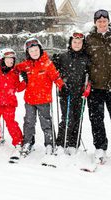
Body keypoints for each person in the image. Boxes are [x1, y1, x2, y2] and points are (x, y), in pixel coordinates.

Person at [16, 38, 66, 156]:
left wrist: (62, 86)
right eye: (31, 51)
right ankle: (28, 142)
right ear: (28, 53)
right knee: (29, 122)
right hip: (29, 100)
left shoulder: (47, 63)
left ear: (40, 49)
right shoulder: (26, 65)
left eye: (36, 49)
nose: (34, 52)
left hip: (44, 100)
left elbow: (56, 77)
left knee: (46, 123)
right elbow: (14, 68)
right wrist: (4, 66)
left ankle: (49, 144)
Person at [52, 32, 91, 155]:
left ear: (83, 44)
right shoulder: (63, 56)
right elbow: (53, 72)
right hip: (66, 93)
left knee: (78, 119)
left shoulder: (86, 58)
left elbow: (90, 76)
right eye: (74, 42)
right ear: (70, 43)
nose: (77, 44)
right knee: (68, 119)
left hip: (80, 93)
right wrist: (61, 85)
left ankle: (74, 144)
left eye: (79, 42)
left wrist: (87, 88)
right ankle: (61, 143)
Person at [86, 9, 111, 164]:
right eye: (99, 21)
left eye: (104, 21)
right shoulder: (89, 39)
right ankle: (100, 148)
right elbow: (80, 57)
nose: (102, 23)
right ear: (95, 23)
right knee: (96, 119)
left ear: (108, 21)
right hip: (95, 86)